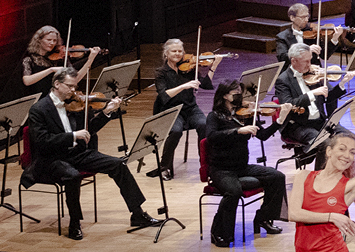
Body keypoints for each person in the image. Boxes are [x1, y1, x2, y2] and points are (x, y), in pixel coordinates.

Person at [24, 67, 157, 240]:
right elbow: (42, 141)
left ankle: (137, 214)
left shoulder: (75, 104)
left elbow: (89, 131)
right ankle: (74, 222)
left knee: (118, 164)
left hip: (77, 154)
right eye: (70, 86)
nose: (74, 91)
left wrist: (106, 112)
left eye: (75, 86)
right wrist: (71, 135)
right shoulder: (39, 109)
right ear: (57, 84)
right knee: (72, 176)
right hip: (52, 159)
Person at [204, 81, 287, 247]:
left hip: (242, 167)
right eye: (235, 92)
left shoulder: (246, 114)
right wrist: (237, 130)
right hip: (221, 169)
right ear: (225, 96)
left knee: (277, 176)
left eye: (239, 92)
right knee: (233, 191)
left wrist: (279, 121)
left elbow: (262, 135)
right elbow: (211, 136)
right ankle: (219, 231)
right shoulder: (214, 116)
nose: (239, 95)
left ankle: (262, 219)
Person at [270, 46, 348, 170]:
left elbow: (330, 97)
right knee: (324, 143)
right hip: (297, 125)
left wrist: (343, 83)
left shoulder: (314, 74)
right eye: (306, 61)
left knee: (348, 137)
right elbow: (289, 105)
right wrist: (312, 93)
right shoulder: (283, 80)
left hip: (319, 122)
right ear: (294, 61)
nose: (310, 64)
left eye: (310, 60)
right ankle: (319, 179)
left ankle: (341, 173)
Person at [150, 39, 219, 180]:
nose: (177, 54)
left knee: (204, 125)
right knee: (175, 131)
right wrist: (184, 86)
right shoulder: (161, 73)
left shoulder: (189, 68)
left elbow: (205, 84)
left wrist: (214, 66)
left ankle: (207, 166)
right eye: (174, 51)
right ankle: (165, 167)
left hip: (190, 108)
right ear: (166, 53)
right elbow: (163, 96)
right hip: (171, 110)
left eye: (180, 51)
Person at [21, 26, 102, 96]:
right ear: (39, 40)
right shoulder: (29, 59)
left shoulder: (61, 58)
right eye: (48, 40)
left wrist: (90, 59)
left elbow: (76, 79)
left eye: (54, 40)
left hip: (57, 100)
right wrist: (51, 70)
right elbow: (27, 81)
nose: (52, 43)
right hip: (39, 102)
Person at [274, 3, 354, 63]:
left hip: (314, 73)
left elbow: (324, 55)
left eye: (307, 16)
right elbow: (283, 58)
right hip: (294, 75)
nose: (306, 20)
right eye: (302, 17)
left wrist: (335, 38)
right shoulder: (282, 37)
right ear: (292, 18)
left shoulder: (314, 32)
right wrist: (306, 50)